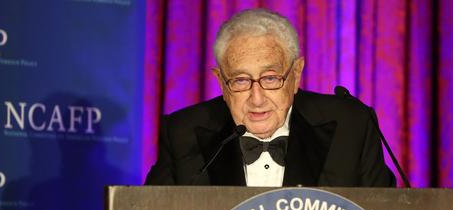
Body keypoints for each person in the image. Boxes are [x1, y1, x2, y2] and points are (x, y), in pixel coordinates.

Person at [145, 8, 396, 187]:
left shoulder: (351, 125)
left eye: (270, 78)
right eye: (241, 80)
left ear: (296, 74)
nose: (257, 99)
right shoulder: (183, 132)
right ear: (221, 82)